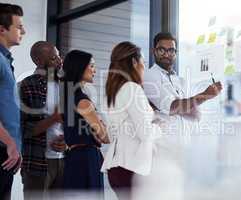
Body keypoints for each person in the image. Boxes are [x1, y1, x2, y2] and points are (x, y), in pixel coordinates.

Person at [141, 32, 223, 199]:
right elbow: (173, 107)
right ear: (153, 51)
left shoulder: (180, 81)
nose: (167, 54)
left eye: (171, 50)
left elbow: (195, 114)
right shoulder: (150, 76)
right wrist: (204, 96)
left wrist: (186, 104)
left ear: (176, 53)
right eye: (161, 50)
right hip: (162, 152)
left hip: (182, 152)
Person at [101, 41, 162, 200]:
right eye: (143, 61)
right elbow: (145, 134)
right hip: (132, 168)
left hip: (117, 167)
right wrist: (160, 126)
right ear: (134, 62)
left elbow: (115, 132)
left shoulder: (112, 93)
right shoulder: (132, 89)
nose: (144, 66)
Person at [20, 41, 66, 199]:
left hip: (64, 160)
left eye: (59, 56)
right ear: (38, 61)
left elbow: (73, 124)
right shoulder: (26, 86)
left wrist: (66, 142)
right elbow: (24, 130)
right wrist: (54, 118)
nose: (60, 61)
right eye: (54, 58)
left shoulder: (65, 86)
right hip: (37, 164)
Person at [62, 50, 109, 195]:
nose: (95, 70)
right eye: (92, 66)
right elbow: (105, 136)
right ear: (80, 67)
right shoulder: (82, 100)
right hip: (86, 159)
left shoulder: (68, 95)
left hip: (75, 157)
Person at [0, 3, 25, 200]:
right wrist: (10, 143)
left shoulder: (6, 60)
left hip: (6, 152)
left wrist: (15, 146)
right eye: (19, 26)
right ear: (2, 29)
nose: (23, 31)